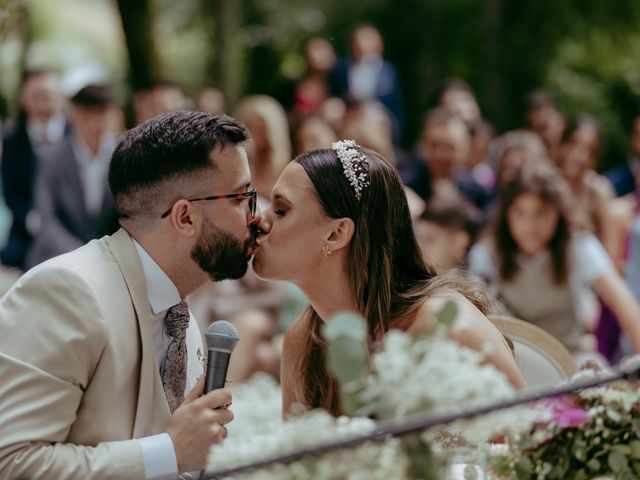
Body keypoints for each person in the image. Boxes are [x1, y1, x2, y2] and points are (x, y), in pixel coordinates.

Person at [0, 111, 257, 478]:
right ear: (184, 218)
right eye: (241, 196)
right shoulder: (67, 292)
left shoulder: (180, 315)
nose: (255, 216)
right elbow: (10, 461)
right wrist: (168, 452)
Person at [251, 140, 524, 415]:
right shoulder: (303, 341)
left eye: (281, 210)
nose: (259, 220)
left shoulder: (446, 329)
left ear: (337, 234)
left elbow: (527, 441)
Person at [468, 161, 640, 360]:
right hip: (514, 358)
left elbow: (624, 304)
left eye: (541, 212)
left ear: (558, 213)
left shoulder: (577, 244)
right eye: (520, 213)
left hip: (571, 355)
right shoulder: (487, 253)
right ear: (506, 214)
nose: (530, 225)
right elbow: (475, 315)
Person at [26, 83, 120, 267]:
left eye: (100, 114)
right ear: (75, 113)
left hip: (111, 258)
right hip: (60, 258)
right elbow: (47, 220)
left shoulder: (121, 155)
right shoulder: (50, 157)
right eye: (88, 115)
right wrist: (84, 255)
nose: (95, 123)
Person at [1, 69, 70, 270]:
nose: (43, 103)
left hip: (71, 231)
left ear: (60, 98)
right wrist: (32, 220)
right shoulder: (13, 142)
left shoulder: (74, 135)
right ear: (24, 100)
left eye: (48, 96)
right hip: (25, 235)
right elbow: (12, 194)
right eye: (36, 96)